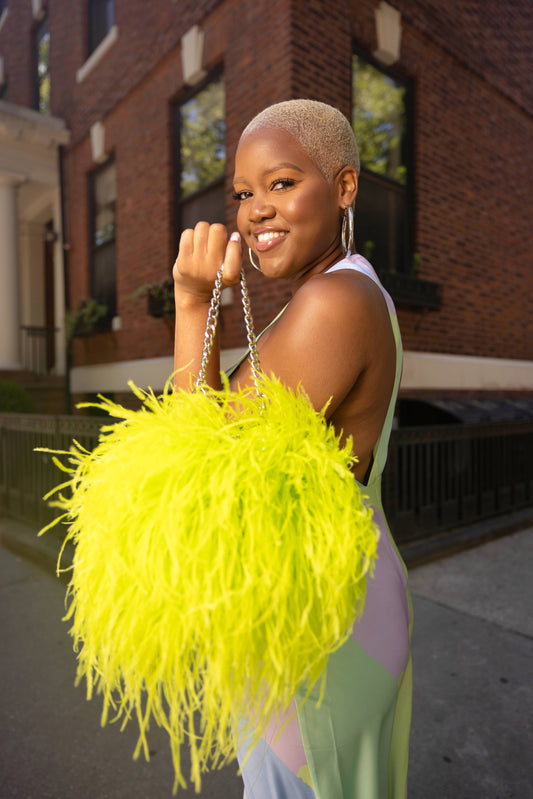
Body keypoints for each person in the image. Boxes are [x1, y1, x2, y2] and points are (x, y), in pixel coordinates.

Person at [173, 99, 412, 799]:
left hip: (321, 632)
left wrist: (191, 303)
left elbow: (199, 469)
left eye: (280, 183)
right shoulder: (337, 287)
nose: (253, 212)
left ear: (342, 187)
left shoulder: (332, 303)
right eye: (244, 194)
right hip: (332, 600)